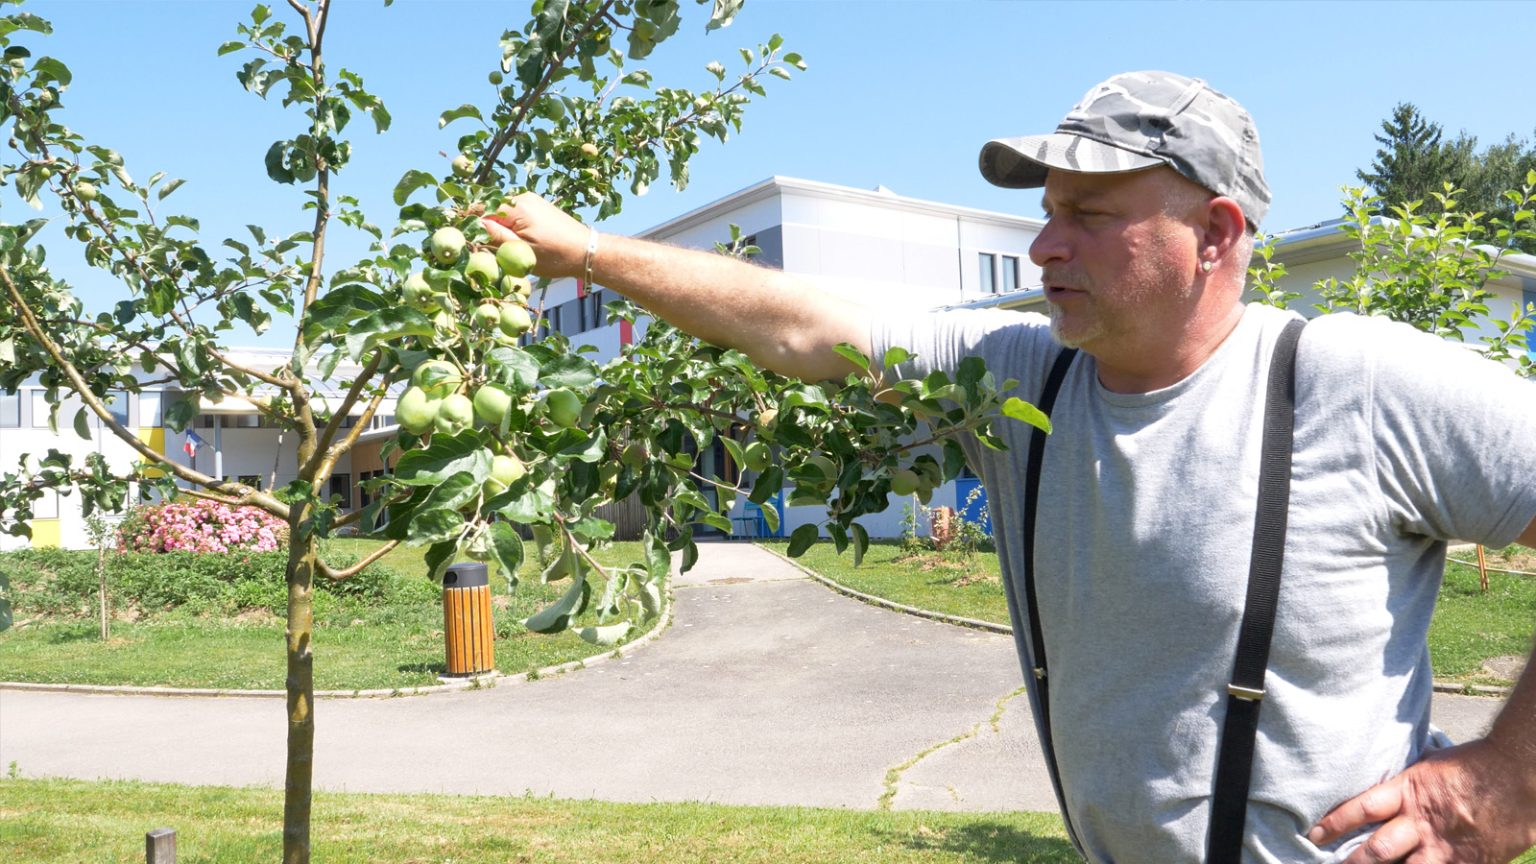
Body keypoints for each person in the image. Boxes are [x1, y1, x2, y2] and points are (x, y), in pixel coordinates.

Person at [482, 70, 1536, 863]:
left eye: (1088, 214)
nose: (1042, 247)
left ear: (1214, 234)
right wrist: (588, 255)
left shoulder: (1351, 383)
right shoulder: (1021, 377)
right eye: (1045, 211)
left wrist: (1507, 781)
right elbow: (813, 329)